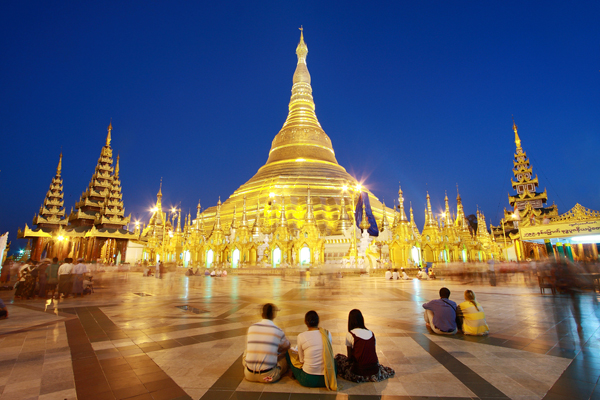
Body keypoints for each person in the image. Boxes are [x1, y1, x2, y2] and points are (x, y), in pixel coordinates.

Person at [335, 309, 395, 383]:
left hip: (359, 371)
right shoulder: (371, 333)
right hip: (374, 369)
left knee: (338, 358)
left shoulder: (350, 334)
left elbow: (349, 357)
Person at [286, 311, 337, 390]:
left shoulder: (301, 336)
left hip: (308, 379)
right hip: (327, 378)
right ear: (318, 321)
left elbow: (301, 360)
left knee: (288, 354)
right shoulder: (327, 334)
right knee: (334, 360)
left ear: (305, 322)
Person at [243, 303, 290, 383]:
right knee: (287, 356)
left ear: (262, 314)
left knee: (246, 351)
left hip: (248, 374)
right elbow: (287, 347)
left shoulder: (251, 328)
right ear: (273, 315)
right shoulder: (277, 331)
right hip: (268, 376)